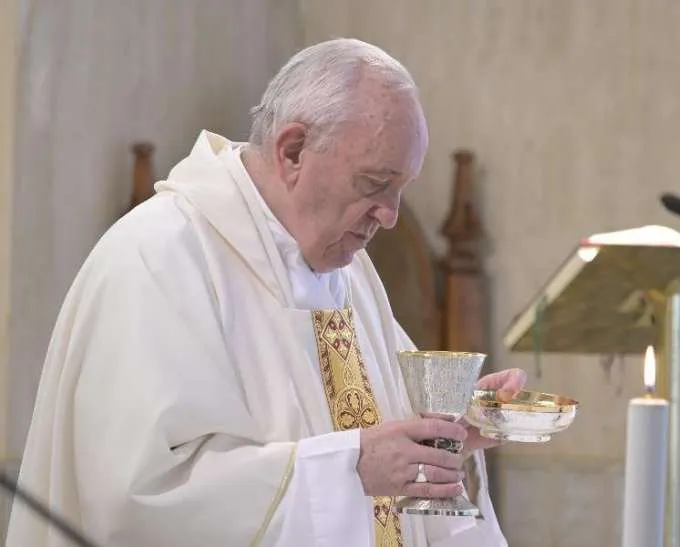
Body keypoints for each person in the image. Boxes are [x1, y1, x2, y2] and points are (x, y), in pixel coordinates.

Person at [6, 38, 525, 547]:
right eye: (373, 184)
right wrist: (352, 467)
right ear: (293, 150)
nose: (389, 217)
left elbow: (396, 448)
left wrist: (450, 435)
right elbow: (139, 501)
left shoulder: (351, 276)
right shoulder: (158, 258)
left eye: (400, 190)